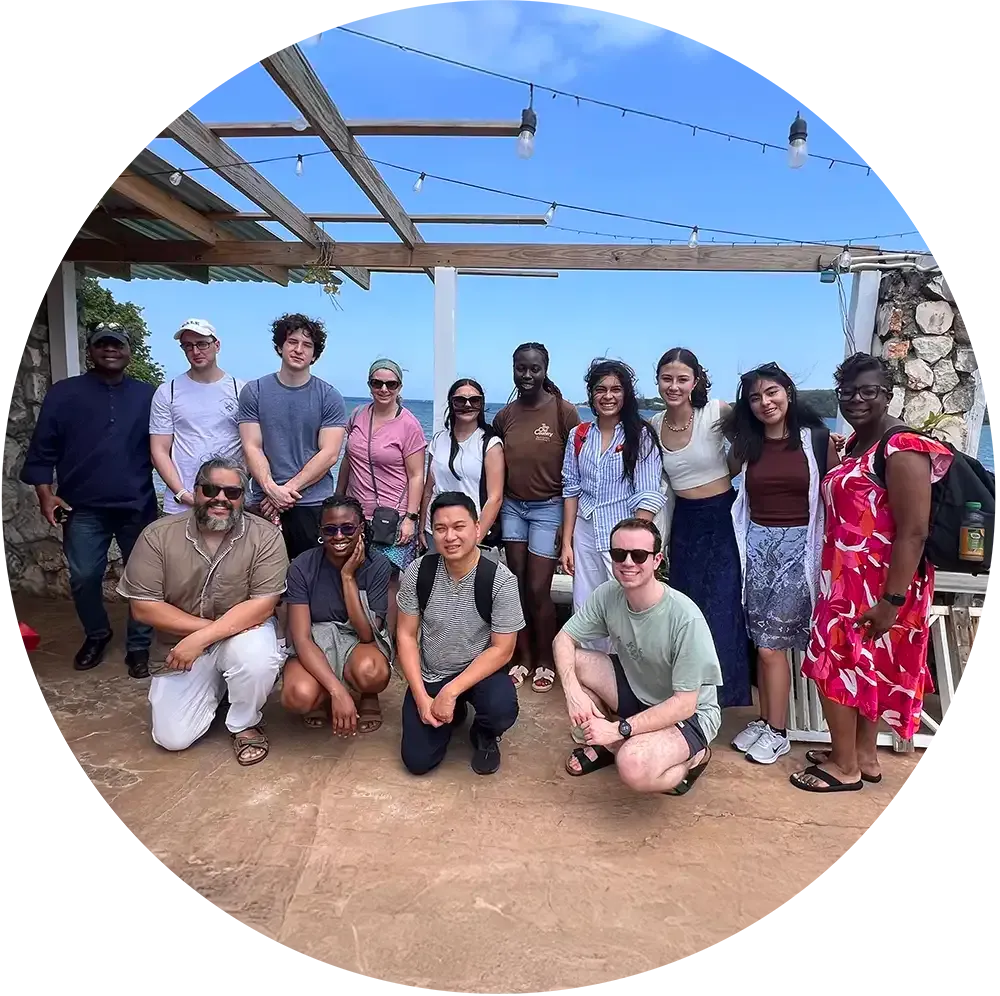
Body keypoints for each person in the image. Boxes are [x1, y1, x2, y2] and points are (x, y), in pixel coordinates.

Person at [791, 353, 954, 793]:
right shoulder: (859, 444)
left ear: (889, 395)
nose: (857, 400)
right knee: (864, 668)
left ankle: (844, 767)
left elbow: (914, 531)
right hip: (847, 578)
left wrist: (892, 601)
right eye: (848, 392)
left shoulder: (903, 446)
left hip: (880, 584)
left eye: (869, 391)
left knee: (832, 665)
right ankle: (863, 756)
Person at [115, 458, 289, 766]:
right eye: (211, 489)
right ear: (195, 492)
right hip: (182, 644)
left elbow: (264, 603)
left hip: (240, 635)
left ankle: (244, 723)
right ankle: (221, 684)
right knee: (173, 738)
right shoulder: (158, 536)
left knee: (257, 660)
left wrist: (205, 636)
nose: (220, 498)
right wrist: (204, 634)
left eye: (232, 492)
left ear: (243, 498)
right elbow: (143, 607)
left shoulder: (266, 537)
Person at [19, 322, 157, 678]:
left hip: (136, 504)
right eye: (102, 344)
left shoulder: (148, 395)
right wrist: (44, 494)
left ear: (129, 351)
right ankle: (97, 633)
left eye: (117, 344)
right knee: (83, 576)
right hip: (81, 506)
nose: (110, 350)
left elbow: (167, 445)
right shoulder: (63, 394)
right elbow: (43, 447)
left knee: (143, 578)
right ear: (91, 351)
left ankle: (139, 645)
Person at [721, 363, 838, 765]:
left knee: (773, 647)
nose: (765, 403)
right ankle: (766, 720)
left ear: (788, 391)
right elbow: (721, 471)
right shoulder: (748, 445)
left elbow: (836, 494)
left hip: (799, 550)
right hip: (757, 549)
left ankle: (779, 731)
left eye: (772, 393)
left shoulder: (817, 440)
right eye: (755, 398)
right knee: (762, 642)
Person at [553, 517, 722, 795]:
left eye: (639, 555)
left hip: (689, 716)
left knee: (633, 765)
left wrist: (619, 728)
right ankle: (611, 744)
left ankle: (693, 757)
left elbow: (684, 704)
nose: (628, 562)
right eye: (619, 554)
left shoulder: (685, 617)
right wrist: (573, 692)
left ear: (657, 560)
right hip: (638, 690)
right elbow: (563, 638)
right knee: (575, 662)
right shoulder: (608, 594)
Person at [396, 492, 525, 776]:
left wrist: (451, 691)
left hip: (479, 675)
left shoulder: (500, 580)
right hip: (433, 672)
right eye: (440, 529)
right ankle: (451, 713)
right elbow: (405, 636)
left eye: (459, 526)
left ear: (477, 528)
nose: (450, 536)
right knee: (417, 762)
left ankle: (484, 733)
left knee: (501, 706)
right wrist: (421, 697)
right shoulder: (419, 572)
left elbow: (502, 649)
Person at [649, 347, 750, 709]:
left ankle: (725, 695)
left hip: (721, 517)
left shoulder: (715, 412)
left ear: (695, 382)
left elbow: (758, 424)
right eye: (667, 379)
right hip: (685, 523)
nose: (673, 386)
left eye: (682, 379)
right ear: (658, 381)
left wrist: (733, 464)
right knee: (687, 608)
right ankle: (688, 692)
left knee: (722, 606)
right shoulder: (655, 425)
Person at [492, 342, 580, 693]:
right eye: (521, 368)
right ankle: (522, 658)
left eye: (534, 369)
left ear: (545, 369)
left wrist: (567, 527)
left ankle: (546, 659)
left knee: (538, 588)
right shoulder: (506, 416)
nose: (527, 375)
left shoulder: (564, 412)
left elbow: (576, 468)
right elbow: (494, 466)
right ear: (513, 368)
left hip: (548, 509)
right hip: (513, 508)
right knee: (515, 586)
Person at [560, 358, 665, 654]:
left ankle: (625, 673)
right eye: (600, 389)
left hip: (622, 532)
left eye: (616, 389)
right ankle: (591, 669)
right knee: (586, 603)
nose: (608, 396)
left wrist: (638, 544)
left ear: (626, 393)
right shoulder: (579, 435)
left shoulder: (639, 436)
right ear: (591, 394)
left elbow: (647, 494)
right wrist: (567, 542)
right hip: (585, 528)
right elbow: (572, 489)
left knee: (626, 602)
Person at [280, 495, 393, 736]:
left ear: (361, 528)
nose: (339, 536)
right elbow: (301, 638)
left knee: (373, 671)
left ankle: (367, 694)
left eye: (348, 528)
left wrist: (348, 577)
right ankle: (326, 694)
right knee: (297, 696)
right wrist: (337, 692)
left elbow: (366, 634)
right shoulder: (302, 565)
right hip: (314, 640)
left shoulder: (378, 564)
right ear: (320, 531)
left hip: (357, 641)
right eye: (330, 529)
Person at [237, 313, 347, 561]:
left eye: (307, 345)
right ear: (279, 346)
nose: (299, 350)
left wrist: (284, 491)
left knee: (309, 581)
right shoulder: (253, 391)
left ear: (315, 355)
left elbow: (329, 454)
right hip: (262, 502)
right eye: (292, 342)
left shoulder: (329, 396)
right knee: (260, 580)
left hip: (312, 504)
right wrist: (269, 488)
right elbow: (252, 446)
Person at [338, 359, 426, 622]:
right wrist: (338, 497)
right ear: (369, 385)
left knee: (388, 579)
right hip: (357, 512)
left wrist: (411, 518)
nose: (384, 389)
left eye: (391, 384)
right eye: (377, 383)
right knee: (356, 571)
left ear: (400, 387)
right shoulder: (357, 415)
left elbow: (416, 474)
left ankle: (388, 639)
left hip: (393, 517)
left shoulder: (409, 425)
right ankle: (360, 632)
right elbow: (347, 459)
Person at [149, 318, 246, 515]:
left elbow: (251, 446)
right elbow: (159, 450)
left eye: (202, 343)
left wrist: (235, 488)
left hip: (229, 502)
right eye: (188, 346)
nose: (195, 351)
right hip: (181, 504)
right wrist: (182, 494)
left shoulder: (241, 391)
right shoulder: (168, 392)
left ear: (216, 345)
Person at [419, 378, 505, 553]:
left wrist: (476, 537)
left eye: (474, 400)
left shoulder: (489, 444)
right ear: (451, 403)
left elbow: (495, 498)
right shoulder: (438, 440)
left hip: (468, 531)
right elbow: (428, 489)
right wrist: (421, 527)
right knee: (435, 579)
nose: (467, 405)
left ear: (481, 404)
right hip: (436, 528)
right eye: (460, 400)